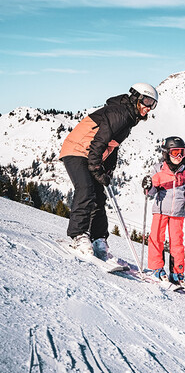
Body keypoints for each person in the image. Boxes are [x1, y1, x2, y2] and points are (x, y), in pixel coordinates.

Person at [59, 83, 158, 259]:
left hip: (91, 154)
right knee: (86, 189)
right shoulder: (119, 113)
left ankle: (98, 238)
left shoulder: (128, 118)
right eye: (147, 101)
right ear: (136, 97)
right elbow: (100, 141)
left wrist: (107, 170)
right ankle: (78, 234)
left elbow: (112, 146)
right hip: (78, 150)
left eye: (153, 104)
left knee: (99, 196)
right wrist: (96, 167)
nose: (148, 108)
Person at [142, 136, 185, 285]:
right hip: (160, 210)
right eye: (175, 153)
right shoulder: (158, 169)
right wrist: (148, 186)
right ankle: (157, 268)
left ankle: (177, 271)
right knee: (156, 238)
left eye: (182, 152)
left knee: (177, 242)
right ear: (166, 153)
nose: (179, 156)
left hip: (178, 212)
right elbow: (152, 192)